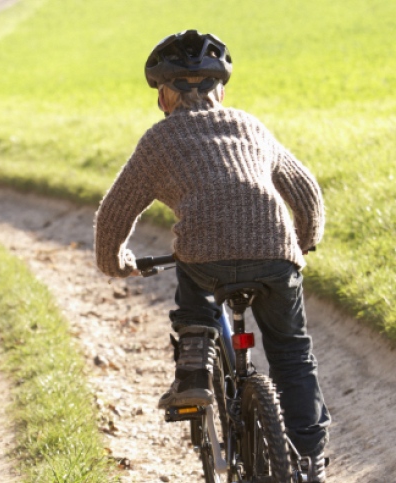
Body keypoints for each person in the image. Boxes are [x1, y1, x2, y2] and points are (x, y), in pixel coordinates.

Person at [93, 30, 329, 482]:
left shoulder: (158, 141)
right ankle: (309, 461)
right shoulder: (249, 126)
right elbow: (306, 192)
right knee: (293, 356)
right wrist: (302, 241)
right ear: (220, 90)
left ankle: (195, 367)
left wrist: (114, 261)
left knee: (195, 277)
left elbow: (115, 213)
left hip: (205, 254)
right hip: (274, 249)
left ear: (164, 96)